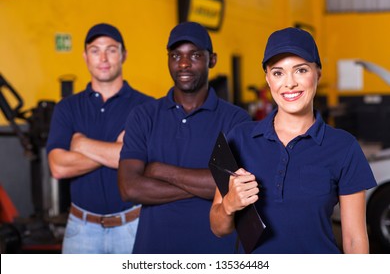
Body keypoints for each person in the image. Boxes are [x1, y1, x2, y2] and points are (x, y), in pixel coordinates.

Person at [209, 27, 377, 254]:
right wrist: (230, 204)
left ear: (317, 73)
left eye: (300, 70)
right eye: (278, 73)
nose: (289, 84)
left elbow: (355, 240)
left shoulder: (344, 147)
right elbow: (218, 228)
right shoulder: (239, 138)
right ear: (268, 79)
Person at [118, 21, 252, 253]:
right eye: (175, 55)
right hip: (154, 252)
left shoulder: (236, 120)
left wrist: (159, 170)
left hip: (216, 251)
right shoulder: (143, 116)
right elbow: (129, 188)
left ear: (212, 60)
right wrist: (209, 184)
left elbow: (236, 187)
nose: (183, 63)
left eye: (195, 55)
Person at [46, 23, 154, 253]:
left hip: (132, 228)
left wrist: (81, 144)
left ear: (123, 54)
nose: (103, 58)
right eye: (95, 50)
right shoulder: (67, 108)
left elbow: (145, 162)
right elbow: (58, 167)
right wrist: (118, 151)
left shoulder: (146, 107)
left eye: (111, 50)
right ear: (85, 57)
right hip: (81, 231)